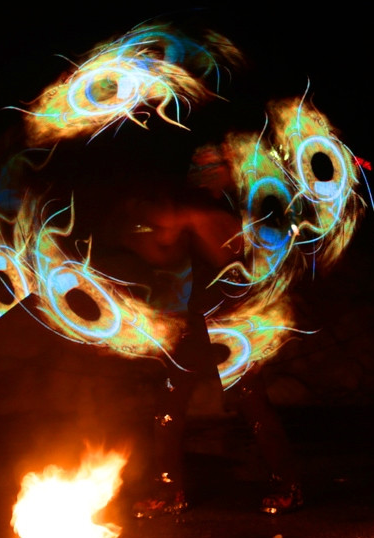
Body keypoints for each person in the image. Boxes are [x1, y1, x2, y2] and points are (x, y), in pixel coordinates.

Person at [98, 163, 303, 517]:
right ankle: (169, 491)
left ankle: (289, 486)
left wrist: (179, 221)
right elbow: (164, 252)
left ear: (229, 171)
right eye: (198, 165)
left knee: (252, 403)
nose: (203, 171)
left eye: (213, 165)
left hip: (235, 320)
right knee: (169, 405)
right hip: (200, 318)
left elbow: (228, 252)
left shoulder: (228, 206)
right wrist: (137, 235)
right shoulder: (193, 206)